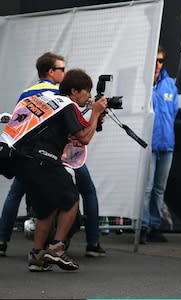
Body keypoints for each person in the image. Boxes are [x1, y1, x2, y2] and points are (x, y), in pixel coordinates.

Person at [0, 52, 106, 258]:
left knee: (31, 199)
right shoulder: (62, 99)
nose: (64, 73)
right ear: (51, 71)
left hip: (19, 153)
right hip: (47, 157)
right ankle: (81, 243)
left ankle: (12, 244)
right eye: (62, 69)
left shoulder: (30, 93)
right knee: (78, 194)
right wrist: (94, 113)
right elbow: (82, 137)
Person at [140, 46, 179, 244]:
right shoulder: (142, 84)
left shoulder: (170, 84)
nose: (157, 64)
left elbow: (174, 113)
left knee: (158, 189)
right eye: (154, 60)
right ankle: (143, 227)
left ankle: (154, 225)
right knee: (146, 188)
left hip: (167, 144)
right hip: (147, 144)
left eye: (160, 60)